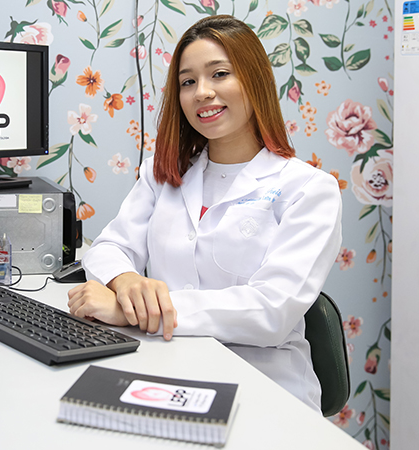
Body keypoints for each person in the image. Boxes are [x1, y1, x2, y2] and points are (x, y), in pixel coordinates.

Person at [66, 15, 342, 412]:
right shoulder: (162, 174)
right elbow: (110, 246)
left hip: (266, 391)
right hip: (166, 370)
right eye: (188, 81)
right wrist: (125, 281)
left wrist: (137, 315)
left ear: (254, 80)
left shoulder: (309, 189)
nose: (203, 92)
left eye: (220, 74)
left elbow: (272, 311)